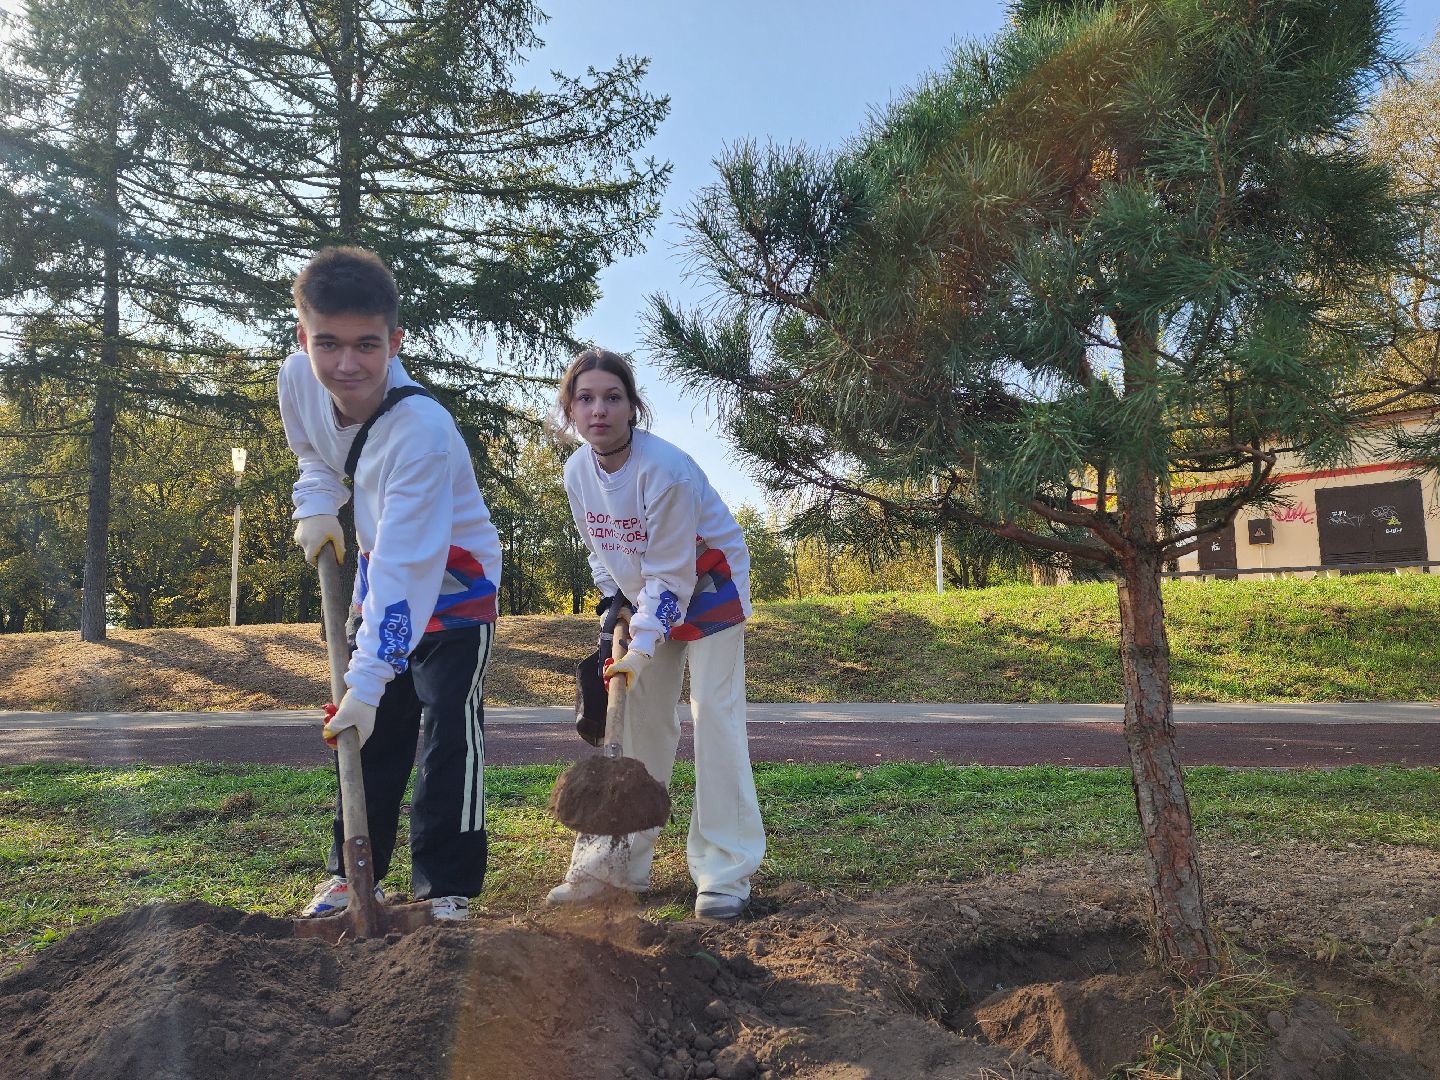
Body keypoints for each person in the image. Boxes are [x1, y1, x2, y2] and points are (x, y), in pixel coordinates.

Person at [278, 246, 502, 922]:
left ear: (395, 341)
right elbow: (315, 454)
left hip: (456, 581)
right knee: (371, 736)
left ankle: (447, 887)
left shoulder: (422, 433)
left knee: (446, 732)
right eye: (329, 344)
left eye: (367, 345)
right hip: (385, 566)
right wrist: (316, 504)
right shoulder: (296, 380)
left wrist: (369, 680)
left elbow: (411, 572)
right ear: (303, 337)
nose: (346, 365)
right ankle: (351, 876)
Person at [546, 348, 765, 920]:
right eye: (586, 398)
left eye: (612, 397)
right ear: (570, 409)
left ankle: (724, 869)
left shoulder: (664, 472)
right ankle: (613, 865)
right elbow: (604, 550)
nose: (599, 410)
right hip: (647, 596)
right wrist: (616, 604)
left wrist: (642, 645)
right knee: (639, 719)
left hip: (709, 581)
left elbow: (673, 574)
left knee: (714, 716)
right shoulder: (576, 472)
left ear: (632, 406)